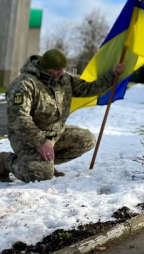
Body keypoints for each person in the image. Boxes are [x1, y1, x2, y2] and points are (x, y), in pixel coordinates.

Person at [0, 49, 125, 183]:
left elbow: (88, 88)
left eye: (62, 69)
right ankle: (6, 160)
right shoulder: (25, 84)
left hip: (54, 134)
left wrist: (112, 75)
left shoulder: (64, 79)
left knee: (86, 140)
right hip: (27, 138)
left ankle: (44, 163)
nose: (61, 73)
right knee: (39, 176)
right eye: (57, 70)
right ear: (46, 69)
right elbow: (19, 119)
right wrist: (40, 141)